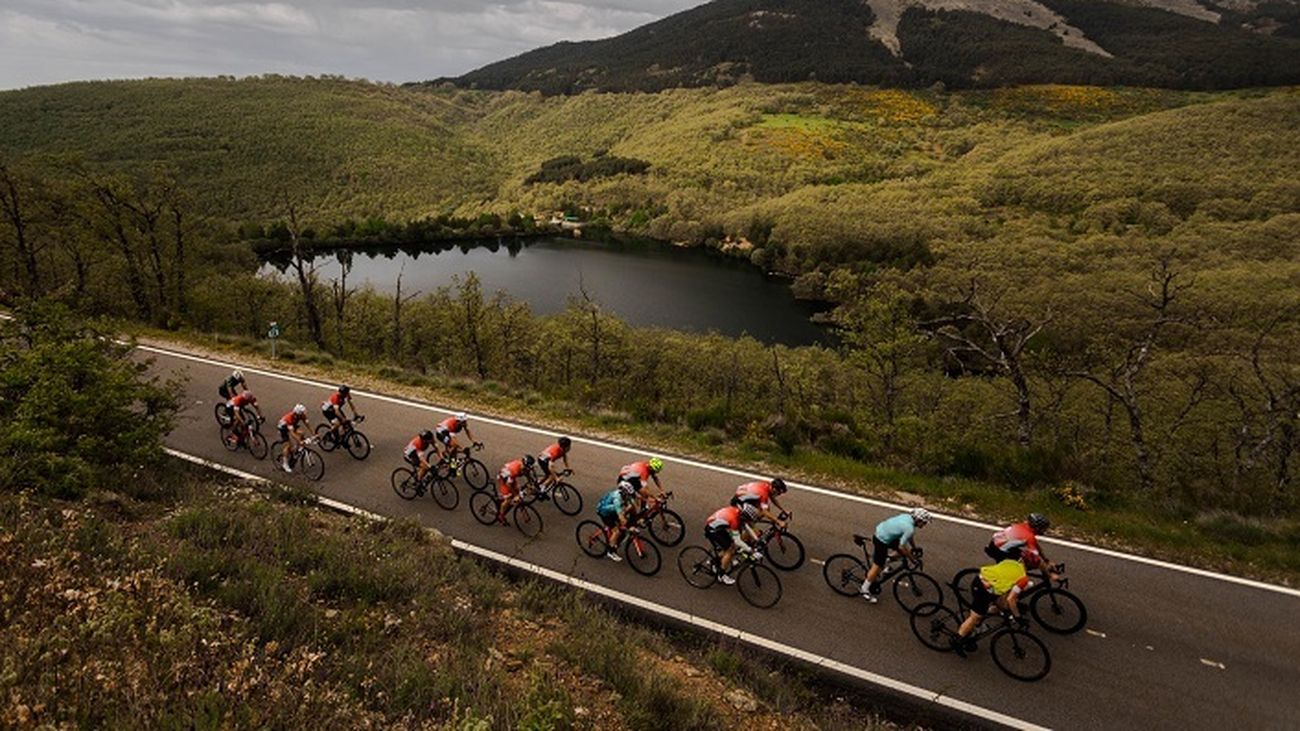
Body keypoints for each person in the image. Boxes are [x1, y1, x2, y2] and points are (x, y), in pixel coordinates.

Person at [951, 548, 1031, 656]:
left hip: (992, 588)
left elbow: (1007, 594)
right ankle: (957, 641)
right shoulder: (1023, 579)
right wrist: (1018, 617)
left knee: (1001, 607)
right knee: (975, 617)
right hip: (981, 587)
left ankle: (980, 621)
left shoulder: (1014, 563)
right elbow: (1011, 599)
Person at [859, 507, 931, 603]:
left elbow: (908, 536)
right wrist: (912, 559)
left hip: (886, 533)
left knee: (902, 553)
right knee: (877, 566)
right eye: (924, 522)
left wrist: (914, 547)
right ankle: (864, 589)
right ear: (918, 520)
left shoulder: (907, 517)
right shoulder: (909, 528)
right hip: (881, 540)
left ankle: (886, 563)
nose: (925, 525)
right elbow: (902, 546)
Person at [703, 503, 762, 585]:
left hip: (719, 527)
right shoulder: (734, 519)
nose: (750, 522)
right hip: (712, 530)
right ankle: (721, 575)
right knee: (730, 550)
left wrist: (757, 539)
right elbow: (738, 541)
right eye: (749, 520)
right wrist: (751, 551)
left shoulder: (739, 513)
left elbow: (747, 527)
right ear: (744, 517)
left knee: (731, 547)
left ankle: (714, 561)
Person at [986, 514, 1057, 578]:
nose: (1044, 531)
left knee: (1023, 559)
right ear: (1038, 528)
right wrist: (1050, 575)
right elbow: (1037, 559)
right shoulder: (1029, 536)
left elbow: (1037, 547)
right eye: (1044, 529)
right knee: (1025, 566)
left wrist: (1047, 561)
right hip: (1000, 550)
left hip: (994, 544)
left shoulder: (1023, 526)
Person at [594, 481, 637, 562]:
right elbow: (621, 516)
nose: (630, 496)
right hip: (604, 513)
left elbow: (633, 507)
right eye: (628, 494)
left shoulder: (626, 494)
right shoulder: (617, 498)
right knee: (616, 531)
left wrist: (635, 520)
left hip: (613, 510)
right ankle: (610, 552)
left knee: (629, 509)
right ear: (623, 492)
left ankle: (615, 541)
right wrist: (629, 525)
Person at [495, 455, 534, 523]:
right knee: (509, 498)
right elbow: (508, 484)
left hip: (510, 478)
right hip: (504, 479)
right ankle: (500, 516)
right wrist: (515, 495)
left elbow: (527, 474)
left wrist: (530, 484)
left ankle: (523, 511)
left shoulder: (523, 467)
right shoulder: (514, 470)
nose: (529, 469)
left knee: (518, 493)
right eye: (528, 467)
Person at [277, 403, 310, 472]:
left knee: (302, 433)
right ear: (298, 413)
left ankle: (296, 450)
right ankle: (285, 464)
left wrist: (314, 434)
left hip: (292, 425)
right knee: (288, 445)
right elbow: (292, 433)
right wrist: (300, 441)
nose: (304, 414)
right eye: (302, 413)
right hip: (283, 428)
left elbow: (307, 424)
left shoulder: (301, 415)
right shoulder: (290, 417)